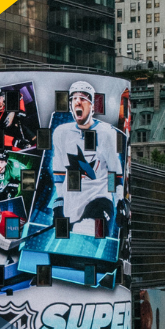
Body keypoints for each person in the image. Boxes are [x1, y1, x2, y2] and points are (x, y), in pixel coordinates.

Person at [51, 81, 125, 235]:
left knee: (88, 231)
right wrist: (59, 202)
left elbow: (114, 173)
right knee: (69, 253)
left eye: (83, 98)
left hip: (99, 201)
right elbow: (59, 174)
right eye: (74, 98)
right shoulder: (61, 133)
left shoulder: (106, 133)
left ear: (92, 106)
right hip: (71, 207)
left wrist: (118, 200)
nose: (77, 101)